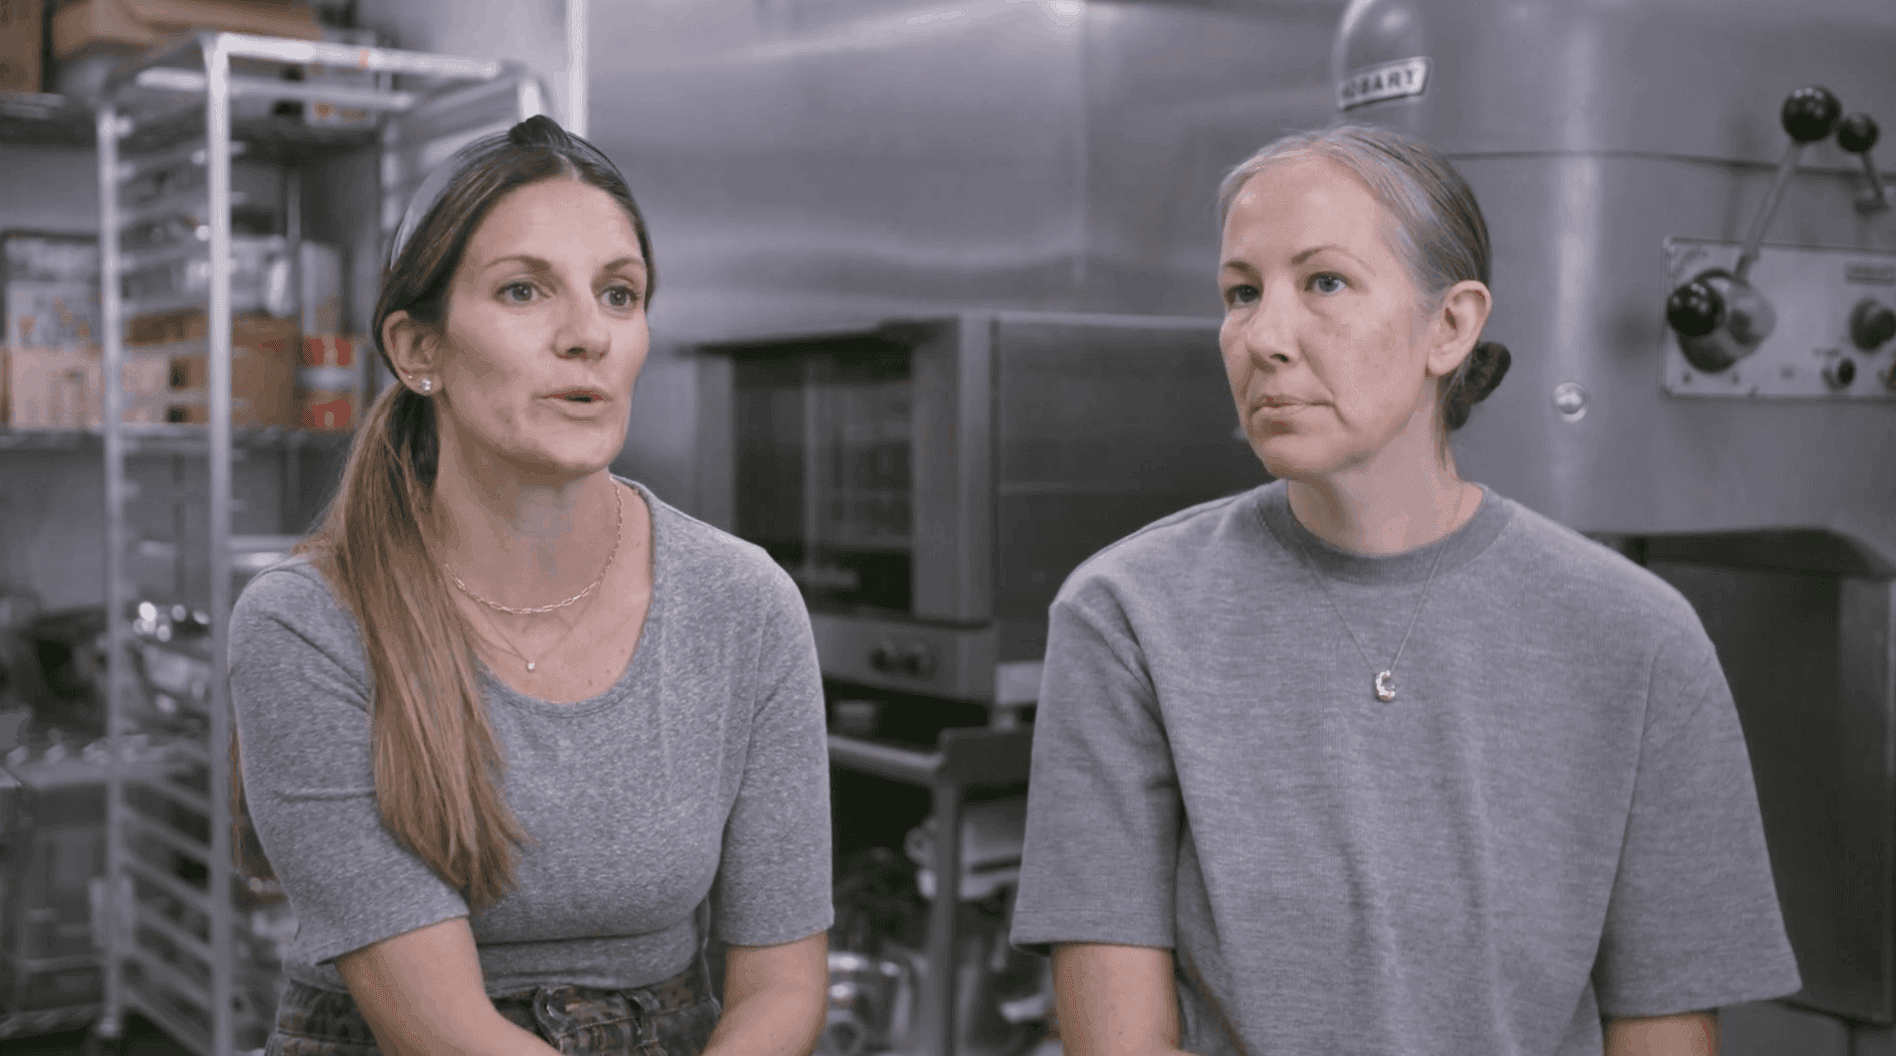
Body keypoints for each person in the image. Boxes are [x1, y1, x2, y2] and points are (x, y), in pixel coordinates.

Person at [1008, 124, 1801, 1056]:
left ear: (1450, 326)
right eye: (1241, 293)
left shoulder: (1638, 637)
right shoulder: (1127, 616)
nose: (1264, 338)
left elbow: (1662, 1025)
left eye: (1325, 283)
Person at [230, 115, 832, 1056]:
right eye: (523, 290)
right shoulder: (310, 623)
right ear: (418, 349)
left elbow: (783, 983)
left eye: (619, 294)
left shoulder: (744, 602)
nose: (588, 335)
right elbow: (443, 1032)